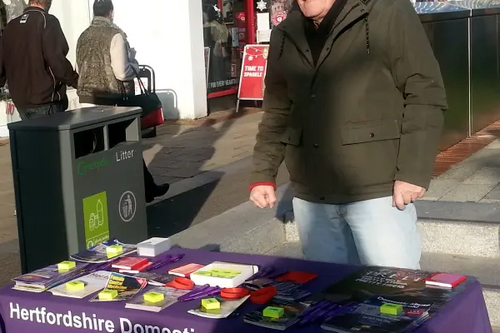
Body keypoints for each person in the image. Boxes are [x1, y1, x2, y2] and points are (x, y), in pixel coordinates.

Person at [249, 0, 447, 269]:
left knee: (393, 294)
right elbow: (278, 110)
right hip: (312, 193)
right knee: (330, 297)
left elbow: (424, 92)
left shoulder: (387, 12)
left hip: (377, 190)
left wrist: (412, 172)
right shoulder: (285, 32)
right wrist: (263, 172)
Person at [76, 0, 169, 203]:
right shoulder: (115, 34)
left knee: (96, 149)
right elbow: (121, 72)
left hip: (85, 100)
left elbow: (80, 67)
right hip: (110, 99)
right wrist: (134, 64)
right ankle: (141, 190)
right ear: (111, 13)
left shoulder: (83, 35)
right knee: (125, 145)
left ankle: (141, 189)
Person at [0, 0, 78, 119]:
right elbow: (57, 60)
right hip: (46, 100)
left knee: (32, 137)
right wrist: (76, 81)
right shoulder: (47, 21)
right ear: (48, 2)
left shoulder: (11, 26)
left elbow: (2, 63)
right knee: (53, 137)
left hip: (21, 101)